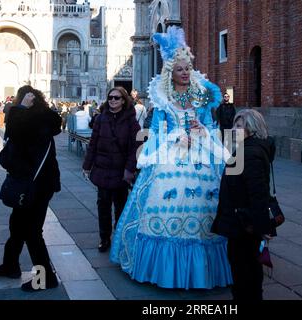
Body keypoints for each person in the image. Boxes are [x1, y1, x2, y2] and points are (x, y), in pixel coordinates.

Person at [109, 26, 232, 289]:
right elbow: (154, 132)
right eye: (180, 69)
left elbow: (211, 128)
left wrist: (203, 132)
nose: (185, 72)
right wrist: (175, 137)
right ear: (170, 72)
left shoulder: (201, 96)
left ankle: (206, 270)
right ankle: (167, 271)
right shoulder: (163, 99)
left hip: (201, 161)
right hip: (170, 160)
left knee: (206, 213)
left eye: (188, 67)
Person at [0, 85, 62, 291]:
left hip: (38, 184)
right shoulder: (34, 120)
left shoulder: (37, 121)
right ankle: (10, 265)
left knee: (32, 231)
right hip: (29, 182)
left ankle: (46, 277)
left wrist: (19, 108)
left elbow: (14, 131)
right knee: (17, 226)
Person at [211, 109, 275, 301]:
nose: (234, 129)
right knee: (246, 266)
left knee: (243, 268)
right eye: (234, 125)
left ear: (251, 129)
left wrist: (261, 227)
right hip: (242, 220)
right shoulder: (248, 149)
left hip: (244, 222)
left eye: (239, 126)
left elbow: (258, 194)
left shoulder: (250, 154)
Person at [82, 87, 141, 252]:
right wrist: (87, 165)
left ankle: (120, 237)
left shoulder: (131, 121)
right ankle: (104, 238)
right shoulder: (101, 119)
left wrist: (129, 169)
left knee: (120, 206)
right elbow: (93, 143)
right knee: (103, 205)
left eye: (116, 98)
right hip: (102, 168)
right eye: (110, 98)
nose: (113, 100)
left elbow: (135, 147)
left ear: (123, 100)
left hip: (120, 170)